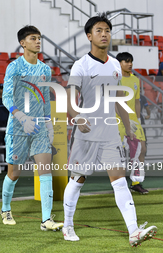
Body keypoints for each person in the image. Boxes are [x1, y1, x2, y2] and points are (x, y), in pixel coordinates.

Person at [62, 13, 157, 247]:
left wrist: (128, 125)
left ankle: (134, 231)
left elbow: (116, 100)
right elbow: (69, 101)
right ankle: (67, 225)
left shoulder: (115, 64)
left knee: (120, 181)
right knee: (78, 179)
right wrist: (76, 118)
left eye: (107, 30)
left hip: (110, 134)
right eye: (99, 31)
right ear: (89, 36)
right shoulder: (81, 65)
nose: (104, 34)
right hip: (87, 133)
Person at [0, 25, 62, 231]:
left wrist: (48, 123)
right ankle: (6, 209)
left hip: (39, 130)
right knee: (14, 173)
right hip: (18, 128)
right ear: (22, 43)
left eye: (39, 38)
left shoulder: (45, 69)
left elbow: (44, 99)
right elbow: (6, 96)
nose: (38, 41)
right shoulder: (14, 67)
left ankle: (46, 220)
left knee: (45, 171)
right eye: (33, 38)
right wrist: (21, 117)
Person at [116, 52, 149, 194]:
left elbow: (136, 101)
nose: (129, 64)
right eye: (126, 61)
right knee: (119, 153)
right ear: (119, 63)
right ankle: (118, 183)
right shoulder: (115, 79)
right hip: (118, 120)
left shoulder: (136, 80)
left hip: (133, 120)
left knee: (142, 150)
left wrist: (137, 118)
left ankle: (136, 182)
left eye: (131, 61)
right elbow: (114, 102)